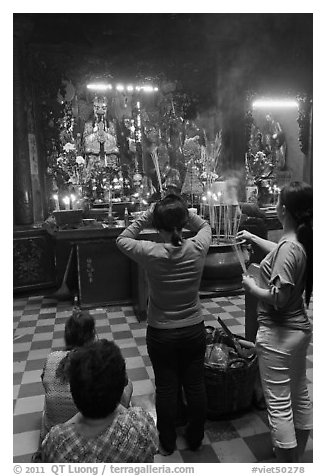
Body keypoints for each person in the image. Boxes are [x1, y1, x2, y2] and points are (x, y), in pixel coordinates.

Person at [116, 194, 212, 455]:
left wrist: (148, 215)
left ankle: (167, 441)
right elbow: (205, 226)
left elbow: (122, 238)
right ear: (182, 223)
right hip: (193, 328)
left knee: (167, 387)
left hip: (161, 332)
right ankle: (195, 437)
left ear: (157, 226)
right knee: (195, 384)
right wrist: (183, 213)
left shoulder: (150, 251)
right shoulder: (197, 247)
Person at [237, 181, 313, 463]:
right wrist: (255, 239)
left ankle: (286, 463)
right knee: (299, 394)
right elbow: (282, 252)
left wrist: (251, 287)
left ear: (284, 210)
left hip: (279, 335)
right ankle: (297, 457)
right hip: (299, 330)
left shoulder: (289, 248)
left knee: (279, 404)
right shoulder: (299, 242)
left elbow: (278, 298)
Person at [41, 339, 158, 463]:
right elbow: (152, 450)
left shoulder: (58, 441)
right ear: (120, 388)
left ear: (74, 393)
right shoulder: (142, 423)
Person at [40, 310, 133, 440]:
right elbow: (122, 382)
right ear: (92, 336)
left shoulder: (51, 358)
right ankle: (121, 419)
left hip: (54, 426)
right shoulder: (99, 362)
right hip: (93, 419)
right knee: (127, 384)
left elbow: (44, 382)